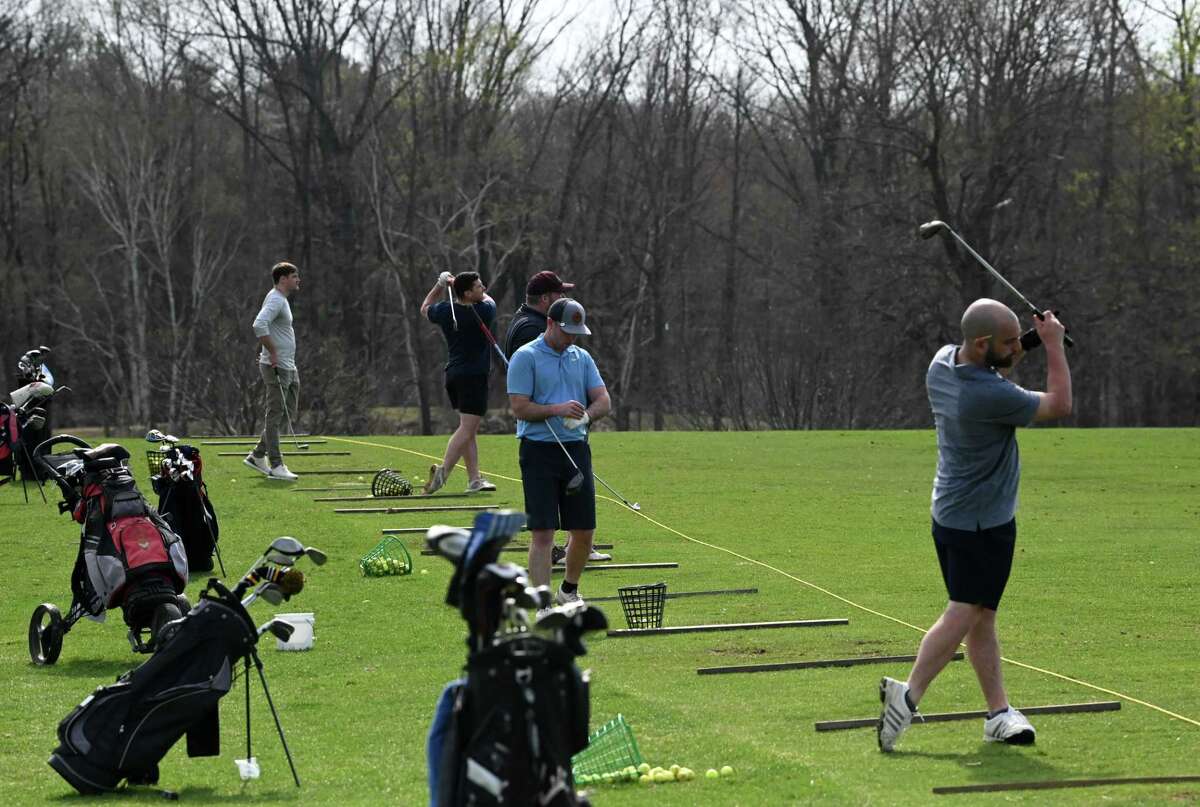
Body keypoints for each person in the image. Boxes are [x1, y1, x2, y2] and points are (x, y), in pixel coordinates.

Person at [877, 299, 1072, 752]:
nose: (1013, 349)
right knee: (965, 611)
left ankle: (999, 714)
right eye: (1007, 342)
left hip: (949, 515)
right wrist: (1054, 346)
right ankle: (905, 698)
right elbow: (1060, 405)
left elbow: (995, 363)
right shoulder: (986, 395)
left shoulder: (943, 362)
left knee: (982, 615)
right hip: (983, 523)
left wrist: (1026, 340)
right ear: (983, 344)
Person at [507, 299, 611, 610]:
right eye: (567, 332)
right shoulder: (525, 358)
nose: (571, 339)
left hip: (576, 450)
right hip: (538, 451)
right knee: (543, 532)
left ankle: (569, 591)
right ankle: (542, 605)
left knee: (583, 531)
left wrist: (586, 416)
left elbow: (603, 400)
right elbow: (519, 407)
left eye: (576, 333)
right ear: (550, 323)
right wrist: (557, 409)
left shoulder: (582, 358)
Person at [421, 270, 498, 494]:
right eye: (478, 286)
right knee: (467, 429)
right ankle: (443, 472)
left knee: (469, 430)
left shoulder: (445, 310)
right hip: (473, 376)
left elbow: (424, 307)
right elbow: (489, 299)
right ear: (467, 293)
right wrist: (453, 283)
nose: (483, 288)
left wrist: (439, 284)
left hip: (453, 376)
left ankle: (474, 480)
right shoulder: (483, 310)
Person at [245, 262, 302, 481]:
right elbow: (259, 325)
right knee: (276, 414)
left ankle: (257, 455)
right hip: (276, 365)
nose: (298, 280)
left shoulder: (281, 300)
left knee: (288, 411)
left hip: (289, 365)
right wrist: (272, 352)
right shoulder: (276, 299)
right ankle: (276, 465)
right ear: (283, 278)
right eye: (294, 276)